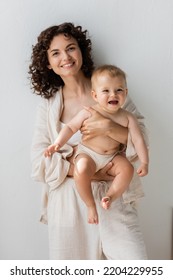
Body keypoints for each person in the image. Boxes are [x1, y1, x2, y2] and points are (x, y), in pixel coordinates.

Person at [29, 22, 149, 260]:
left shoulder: (111, 91)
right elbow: (38, 162)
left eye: (71, 48)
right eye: (56, 53)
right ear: (48, 64)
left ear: (81, 51)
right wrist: (81, 167)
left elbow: (141, 139)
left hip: (113, 199)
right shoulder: (49, 107)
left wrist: (109, 127)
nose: (66, 57)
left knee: (138, 267)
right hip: (69, 204)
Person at [44, 65, 149, 225]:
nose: (113, 94)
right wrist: (57, 143)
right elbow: (71, 127)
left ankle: (110, 196)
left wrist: (144, 161)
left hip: (111, 157)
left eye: (119, 90)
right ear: (95, 95)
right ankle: (90, 205)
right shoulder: (89, 112)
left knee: (127, 169)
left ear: (125, 93)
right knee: (81, 169)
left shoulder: (128, 118)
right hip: (88, 153)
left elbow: (138, 140)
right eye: (106, 91)